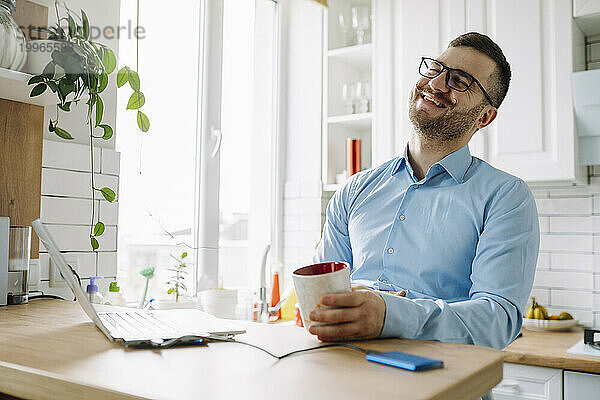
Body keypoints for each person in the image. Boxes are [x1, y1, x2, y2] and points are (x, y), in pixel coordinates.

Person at [310, 32, 539, 351]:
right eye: (435, 69)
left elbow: (498, 321)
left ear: (484, 117)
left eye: (459, 81)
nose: (436, 84)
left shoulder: (506, 197)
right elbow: (319, 296)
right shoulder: (354, 190)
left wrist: (391, 315)